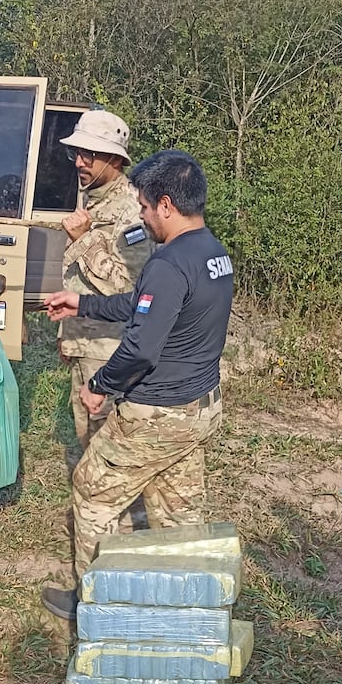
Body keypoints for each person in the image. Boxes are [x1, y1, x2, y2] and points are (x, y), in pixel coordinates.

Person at [40, 150, 233, 621]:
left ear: (166, 205)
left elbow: (142, 349)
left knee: (91, 493)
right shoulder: (212, 254)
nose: (142, 216)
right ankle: (188, 611)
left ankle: (97, 608)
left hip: (157, 414)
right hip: (200, 409)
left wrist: (100, 385)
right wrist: (82, 304)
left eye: (146, 207)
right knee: (178, 517)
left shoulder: (169, 264)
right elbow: (142, 304)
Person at [56, 109, 153, 451]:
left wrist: (84, 239)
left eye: (88, 154)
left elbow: (131, 291)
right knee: (89, 447)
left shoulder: (132, 212)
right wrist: (68, 336)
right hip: (87, 346)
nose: (79, 162)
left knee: (111, 456)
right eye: (75, 153)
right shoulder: (91, 197)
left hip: (112, 353)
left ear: (114, 159)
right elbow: (78, 280)